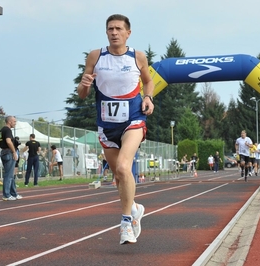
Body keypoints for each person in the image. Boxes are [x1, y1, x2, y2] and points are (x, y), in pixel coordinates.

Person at [77, 14, 154, 245]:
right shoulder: (96, 56)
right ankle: (135, 207)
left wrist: (148, 97)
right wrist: (84, 85)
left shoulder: (137, 56)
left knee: (123, 165)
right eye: (110, 29)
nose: (114, 32)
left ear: (128, 33)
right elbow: (83, 94)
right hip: (107, 123)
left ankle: (126, 223)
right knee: (119, 176)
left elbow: (148, 81)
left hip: (133, 118)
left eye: (118, 29)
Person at [0, 116, 22, 201]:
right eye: (14, 121)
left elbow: (0, 143)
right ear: (9, 122)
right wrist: (14, 152)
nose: (15, 123)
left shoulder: (1, 131)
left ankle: (13, 193)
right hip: (8, 152)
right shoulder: (7, 130)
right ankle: (6, 195)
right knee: (9, 175)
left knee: (10, 174)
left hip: (4, 152)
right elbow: (8, 141)